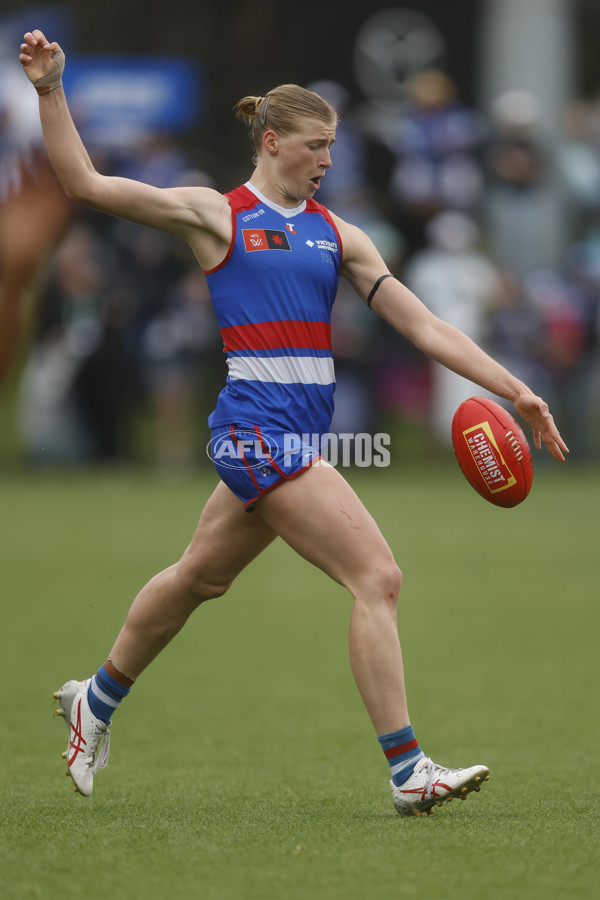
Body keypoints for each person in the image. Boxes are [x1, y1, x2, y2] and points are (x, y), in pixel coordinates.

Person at [20, 30, 569, 818]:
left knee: (198, 578)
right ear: (272, 142)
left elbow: (424, 327)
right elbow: (82, 182)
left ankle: (94, 700)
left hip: (298, 439)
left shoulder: (339, 234)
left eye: (332, 148)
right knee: (377, 578)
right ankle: (408, 770)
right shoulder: (217, 215)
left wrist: (515, 388)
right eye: (315, 146)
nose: (327, 161)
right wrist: (50, 89)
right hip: (256, 434)